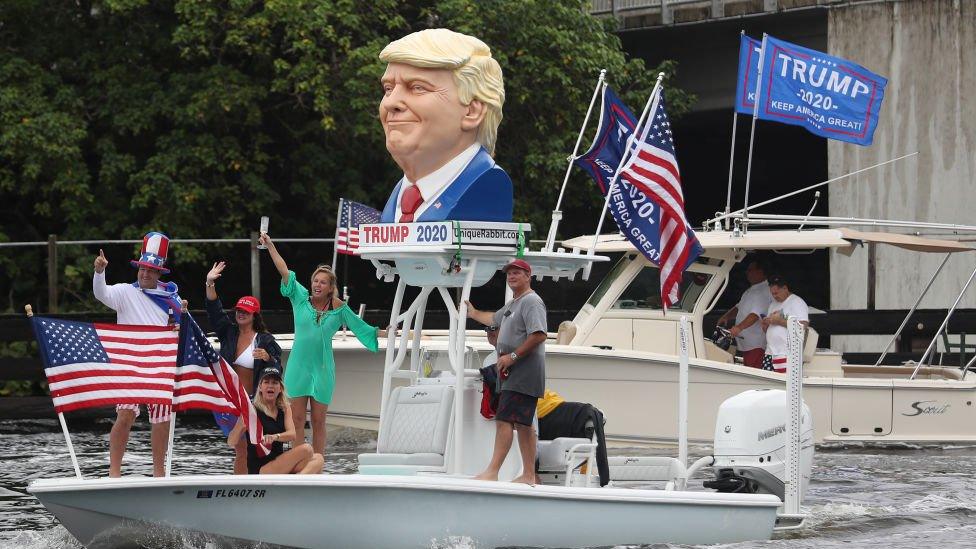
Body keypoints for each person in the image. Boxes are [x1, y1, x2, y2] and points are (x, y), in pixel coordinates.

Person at [257, 232, 379, 457]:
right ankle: (299, 462)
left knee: (319, 420)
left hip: (323, 369)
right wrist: (271, 246)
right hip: (298, 366)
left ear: (330, 287)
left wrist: (381, 332)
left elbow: (360, 326)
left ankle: (318, 464)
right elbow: (284, 270)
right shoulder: (300, 297)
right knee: (296, 419)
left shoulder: (339, 308)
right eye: (315, 280)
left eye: (323, 282)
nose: (317, 284)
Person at [377, 28, 512, 223]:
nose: (390, 103)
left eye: (417, 87)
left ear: (471, 111)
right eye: (388, 89)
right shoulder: (400, 198)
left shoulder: (487, 185)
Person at [92, 231, 182, 477]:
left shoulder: (172, 299)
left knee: (162, 419)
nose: (144, 273)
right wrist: (99, 272)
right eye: (142, 269)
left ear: (158, 273)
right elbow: (101, 294)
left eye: (150, 270)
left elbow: (179, 332)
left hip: (158, 365)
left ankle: (159, 473)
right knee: (125, 414)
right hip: (129, 363)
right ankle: (114, 472)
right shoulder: (124, 292)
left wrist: (178, 329)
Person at [466, 259, 547, 484]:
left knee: (505, 420)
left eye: (517, 273)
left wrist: (512, 357)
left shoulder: (532, 301)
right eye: (509, 273)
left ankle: (493, 472)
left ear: (528, 276)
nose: (511, 276)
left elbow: (539, 334)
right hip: (512, 374)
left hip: (524, 373)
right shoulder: (513, 304)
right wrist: (473, 313)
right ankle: (529, 475)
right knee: (523, 424)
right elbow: (492, 319)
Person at [204, 260, 283, 474]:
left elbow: (278, 368)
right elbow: (214, 312)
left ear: (254, 315)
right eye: (238, 310)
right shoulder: (229, 333)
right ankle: (239, 487)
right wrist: (210, 283)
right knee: (240, 447)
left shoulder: (265, 339)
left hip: (255, 402)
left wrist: (267, 357)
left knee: (254, 447)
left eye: (245, 312)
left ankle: (254, 483)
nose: (240, 314)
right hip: (230, 399)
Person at [227, 367, 324, 475]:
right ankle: (296, 483)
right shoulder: (252, 410)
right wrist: (239, 426)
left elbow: (292, 435)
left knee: (318, 458)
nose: (270, 385)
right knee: (307, 449)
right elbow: (231, 442)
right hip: (261, 469)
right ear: (260, 387)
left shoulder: (285, 408)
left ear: (280, 388)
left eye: (275, 383)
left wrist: (275, 437)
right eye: (266, 382)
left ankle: (297, 483)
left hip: (279, 464)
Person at [717, 258, 772, 368]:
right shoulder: (752, 289)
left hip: (756, 344)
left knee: (753, 372)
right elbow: (738, 306)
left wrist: (738, 328)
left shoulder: (764, 291)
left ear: (760, 271)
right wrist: (726, 316)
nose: (747, 273)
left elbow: (755, 315)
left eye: (750, 270)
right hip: (745, 343)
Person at [761, 275, 810, 373]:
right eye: (772, 293)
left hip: (786, 353)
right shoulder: (773, 304)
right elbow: (770, 329)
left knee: (783, 385)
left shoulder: (797, 302)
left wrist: (779, 321)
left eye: (776, 293)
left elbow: (802, 326)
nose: (775, 296)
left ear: (785, 288)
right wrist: (766, 325)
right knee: (767, 384)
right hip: (770, 352)